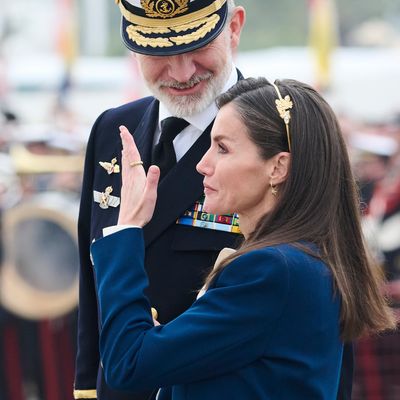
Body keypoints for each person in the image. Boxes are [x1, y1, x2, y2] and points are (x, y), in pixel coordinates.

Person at [74, 1, 354, 399]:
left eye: (196, 47)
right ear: (135, 48)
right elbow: (91, 282)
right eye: (160, 52)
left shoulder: (282, 128)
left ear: (234, 28)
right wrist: (87, 387)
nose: (181, 71)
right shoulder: (112, 129)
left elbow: (327, 331)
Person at [90, 77, 396, 399]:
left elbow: (128, 362)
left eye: (222, 148)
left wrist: (127, 228)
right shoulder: (296, 260)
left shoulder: (272, 270)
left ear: (278, 167)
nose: (202, 165)